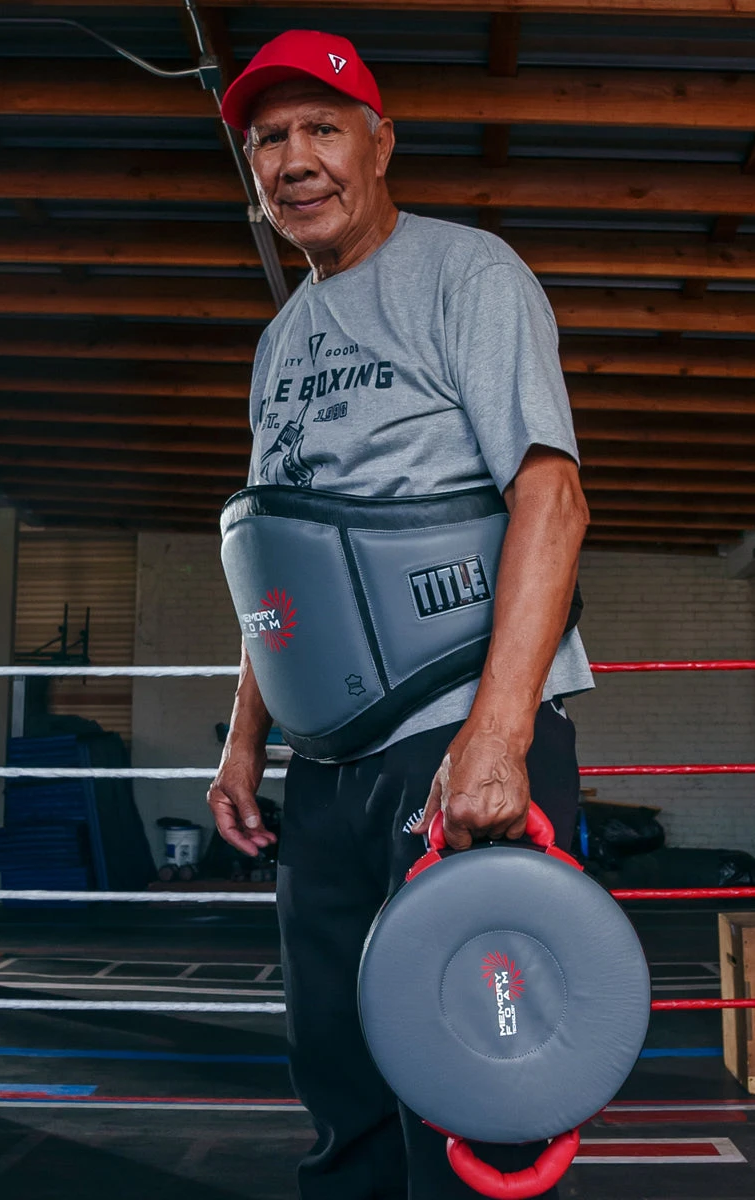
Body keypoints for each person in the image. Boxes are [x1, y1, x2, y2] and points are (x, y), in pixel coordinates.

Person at [206, 29, 593, 1200]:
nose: (295, 160)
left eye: (322, 129)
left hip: (456, 738)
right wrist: (244, 742)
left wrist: (499, 737)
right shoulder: (280, 342)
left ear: (380, 145)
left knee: (479, 1095)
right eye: (269, 140)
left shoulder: (467, 275)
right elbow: (281, 563)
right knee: (342, 1083)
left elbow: (552, 498)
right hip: (328, 770)